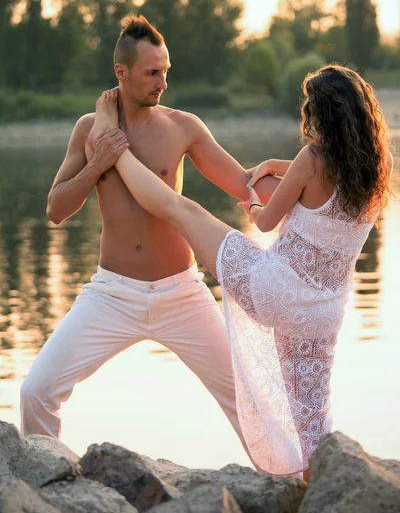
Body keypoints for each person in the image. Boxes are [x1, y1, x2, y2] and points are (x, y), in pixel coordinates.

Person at [90, 64, 393, 480]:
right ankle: (322, 490)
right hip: (324, 312)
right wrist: (281, 166)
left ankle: (118, 151)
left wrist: (251, 206)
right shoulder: (379, 165)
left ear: (323, 113)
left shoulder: (313, 158)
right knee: (313, 418)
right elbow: (329, 173)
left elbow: (266, 222)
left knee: (182, 209)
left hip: (275, 290)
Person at [20, 15, 275, 463]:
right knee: (36, 391)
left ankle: (290, 484)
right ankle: (45, 482)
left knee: (248, 400)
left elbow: (243, 182)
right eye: (152, 72)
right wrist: (97, 163)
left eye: (166, 71)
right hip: (112, 295)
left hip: (182, 294)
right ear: (121, 72)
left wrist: (308, 178)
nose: (162, 82)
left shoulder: (183, 127)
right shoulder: (88, 129)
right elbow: (56, 210)